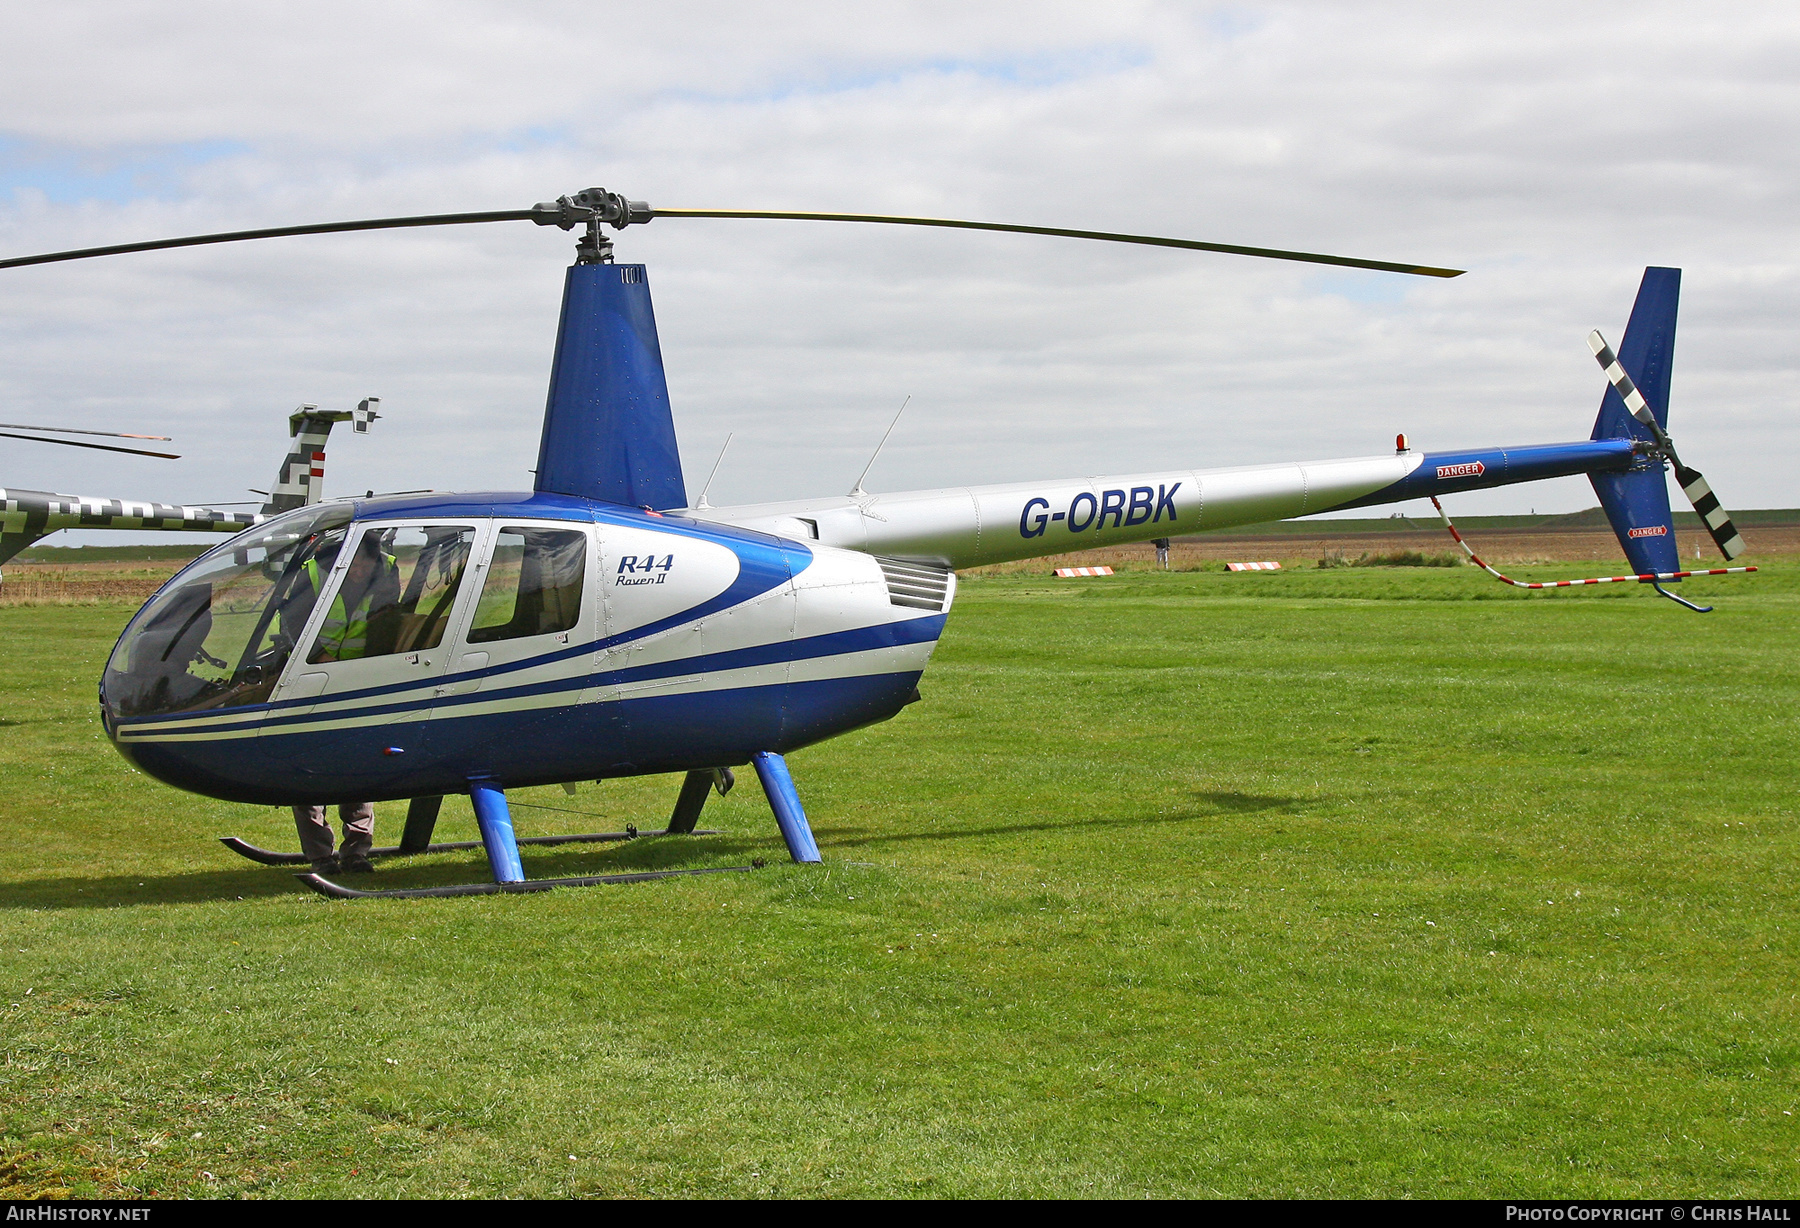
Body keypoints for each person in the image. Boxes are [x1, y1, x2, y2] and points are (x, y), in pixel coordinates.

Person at [289, 534, 402, 874]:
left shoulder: (387, 573)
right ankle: (320, 855)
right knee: (308, 767)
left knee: (358, 764)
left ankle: (357, 851)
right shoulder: (312, 574)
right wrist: (317, 660)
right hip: (309, 676)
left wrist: (367, 670)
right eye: (353, 565)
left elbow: (387, 621)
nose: (358, 572)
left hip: (357, 680)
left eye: (365, 565)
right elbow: (294, 621)